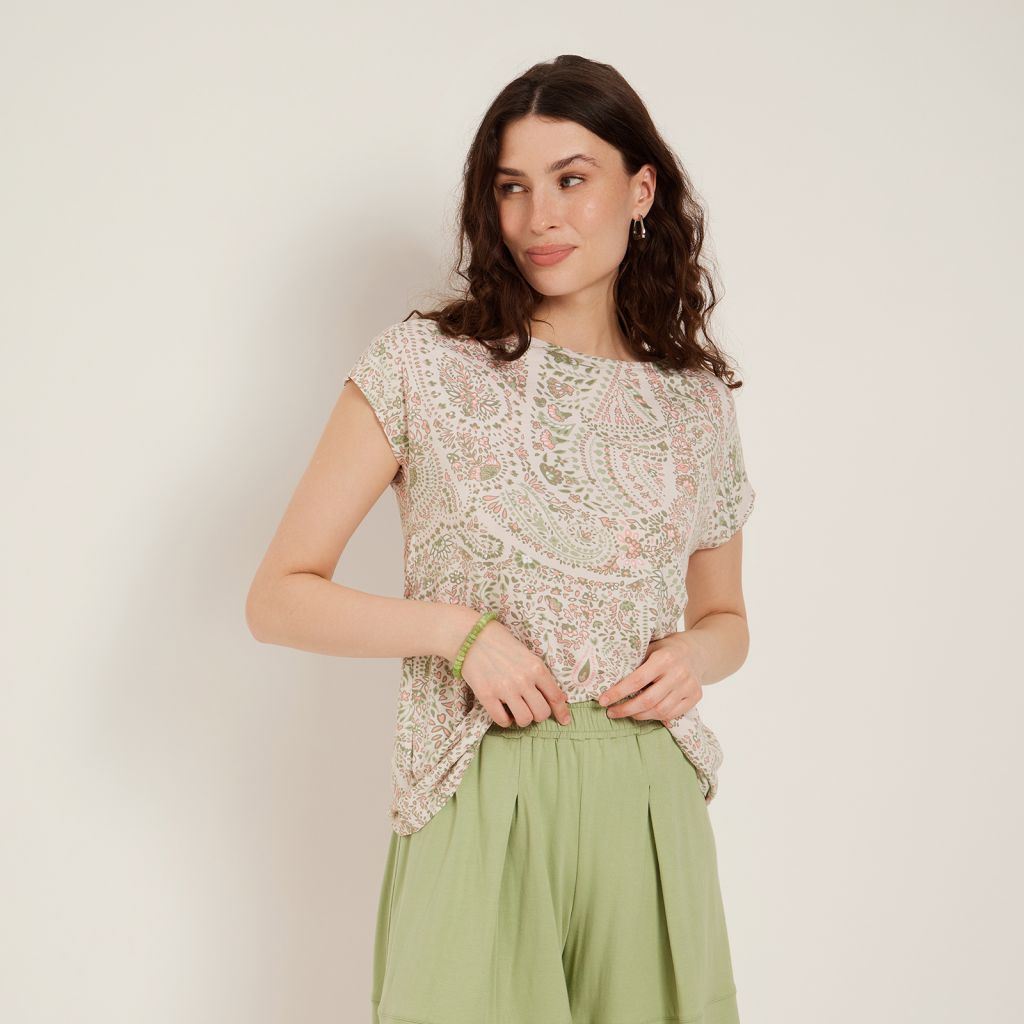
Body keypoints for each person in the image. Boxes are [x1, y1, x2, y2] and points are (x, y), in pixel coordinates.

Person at [247, 53, 756, 1024]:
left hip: (648, 795)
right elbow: (277, 597)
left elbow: (728, 618)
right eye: (512, 187)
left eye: (571, 179)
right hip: (480, 782)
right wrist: (457, 635)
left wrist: (694, 655)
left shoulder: (693, 401)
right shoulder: (423, 366)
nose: (537, 218)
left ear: (640, 190)